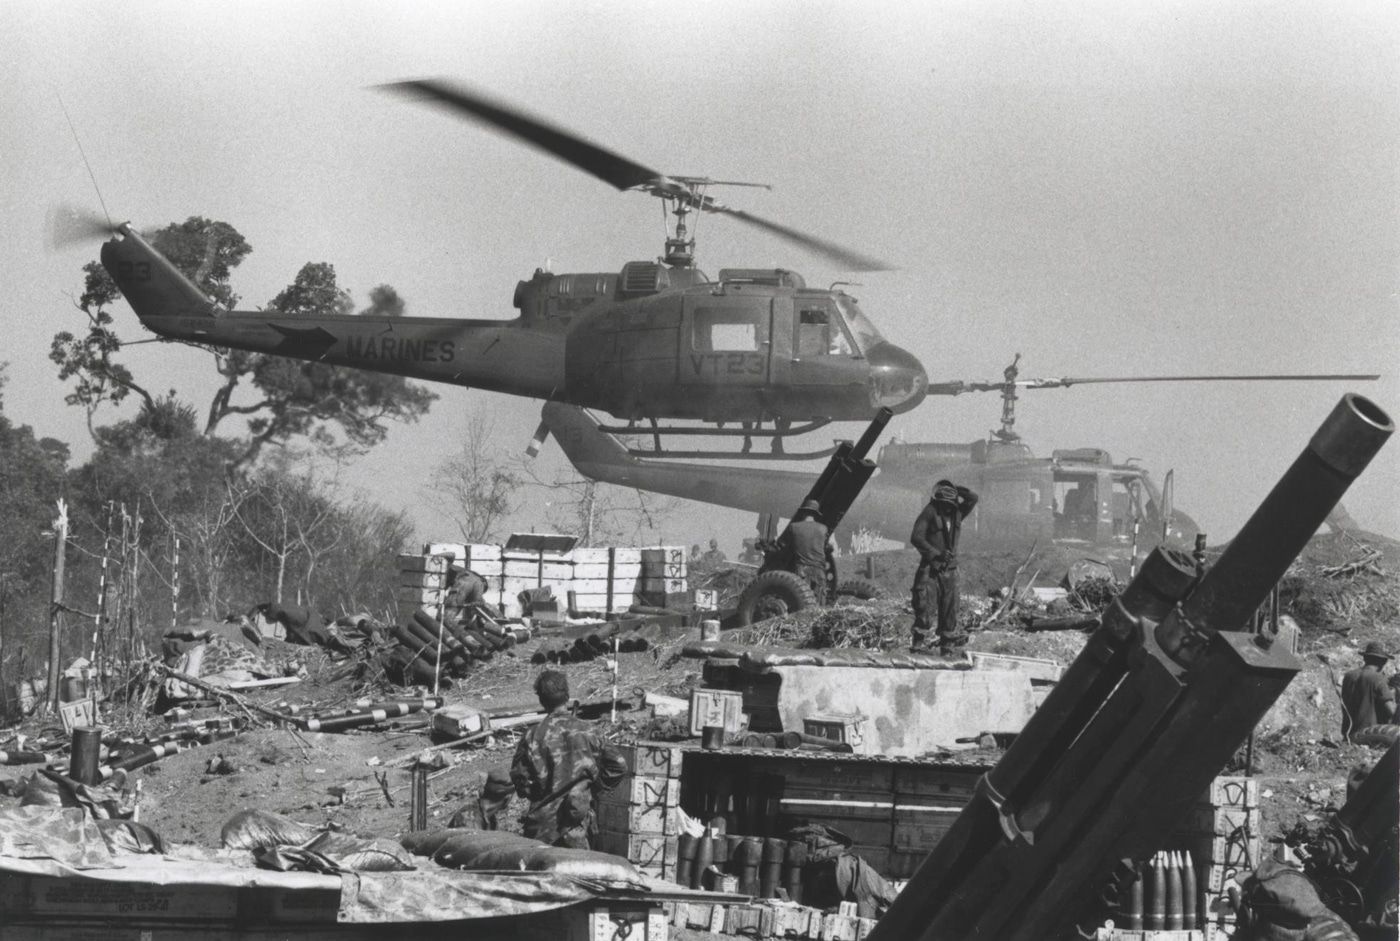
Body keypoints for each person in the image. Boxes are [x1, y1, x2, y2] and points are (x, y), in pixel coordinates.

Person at [510, 669, 625, 848]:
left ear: (541, 700)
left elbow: (519, 778)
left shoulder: (532, 735)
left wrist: (540, 793)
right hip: (577, 825)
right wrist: (592, 789)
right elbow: (619, 765)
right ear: (567, 696)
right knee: (579, 874)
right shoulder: (590, 731)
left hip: (542, 830)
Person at [909, 479, 979, 654]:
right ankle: (917, 647)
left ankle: (946, 650)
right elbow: (916, 537)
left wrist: (956, 488)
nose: (947, 507)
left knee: (950, 611)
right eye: (944, 504)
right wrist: (935, 554)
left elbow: (973, 498)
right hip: (930, 570)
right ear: (938, 501)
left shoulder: (957, 513)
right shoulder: (930, 511)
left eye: (950, 503)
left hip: (951, 571)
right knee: (924, 608)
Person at [1340, 641, 1396, 741]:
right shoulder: (1378, 678)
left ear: (1365, 658)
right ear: (1384, 661)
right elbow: (1391, 711)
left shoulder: (1348, 676)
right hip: (1369, 735)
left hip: (1348, 735)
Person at [778, 499, 830, 601]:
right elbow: (826, 547)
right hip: (819, 571)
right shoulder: (823, 528)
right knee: (818, 604)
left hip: (801, 570)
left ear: (804, 512)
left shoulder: (793, 527)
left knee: (800, 604)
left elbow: (787, 547)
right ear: (815, 514)